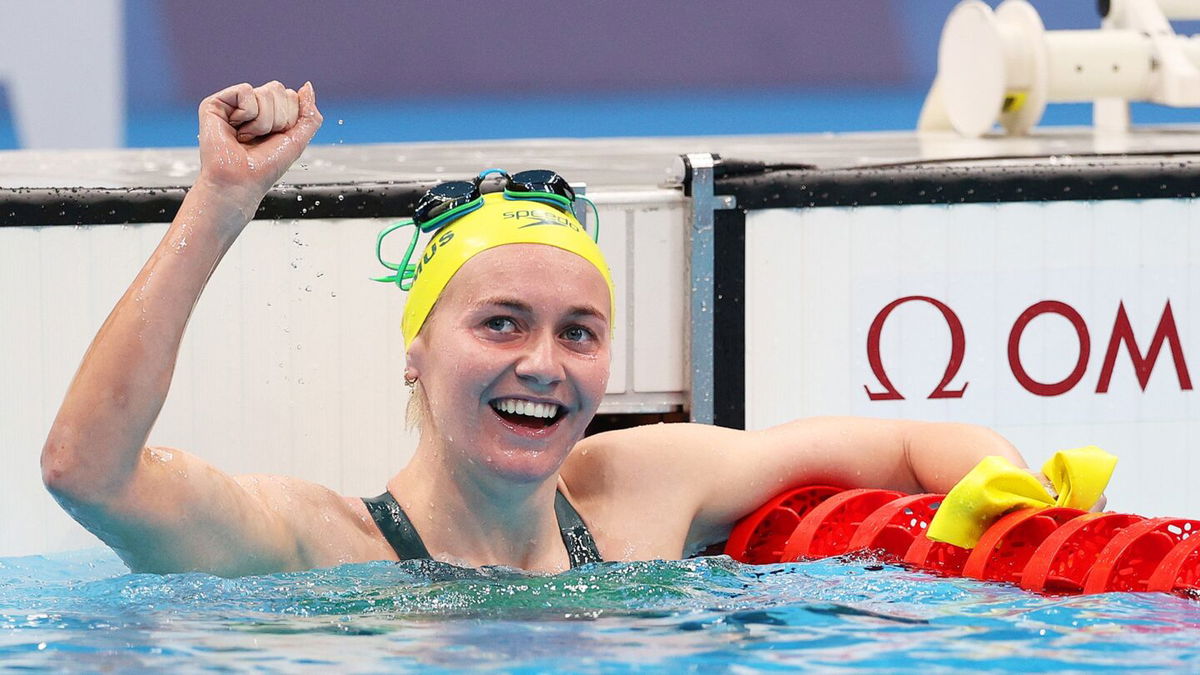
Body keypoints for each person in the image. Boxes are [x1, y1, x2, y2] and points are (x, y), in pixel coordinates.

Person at [42, 81, 1035, 577]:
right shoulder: (323, 548)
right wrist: (219, 200)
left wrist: (1018, 495)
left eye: (579, 333)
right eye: (501, 323)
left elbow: (908, 446)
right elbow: (87, 470)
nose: (541, 365)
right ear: (416, 352)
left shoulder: (642, 493)